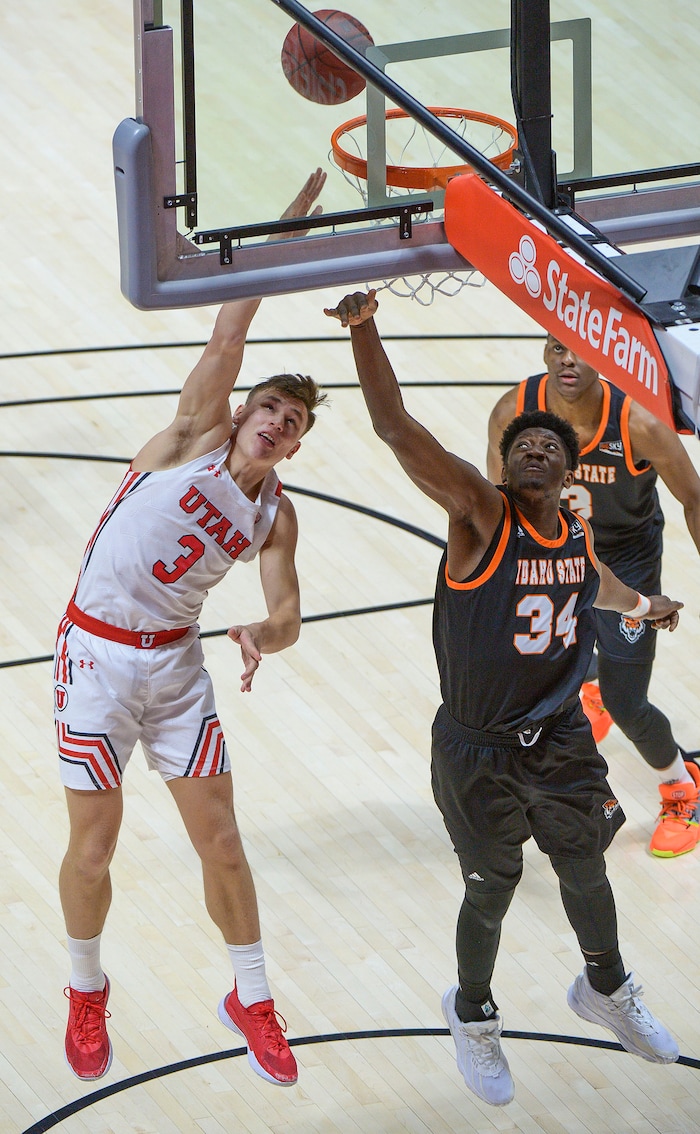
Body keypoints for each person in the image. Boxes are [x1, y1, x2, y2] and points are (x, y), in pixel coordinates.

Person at [325, 288, 681, 1108]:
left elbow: (595, 581)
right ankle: (474, 1012)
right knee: (492, 887)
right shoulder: (480, 516)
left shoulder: (576, 533)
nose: (534, 451)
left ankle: (606, 987)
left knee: (586, 869)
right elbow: (396, 430)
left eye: (548, 449)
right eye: (521, 445)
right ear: (504, 463)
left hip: (557, 738)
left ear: (567, 472)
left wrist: (647, 606)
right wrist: (365, 328)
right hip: (475, 744)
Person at [55, 170, 328, 1087]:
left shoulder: (273, 516)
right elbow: (230, 327)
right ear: (241, 415)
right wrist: (287, 230)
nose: (275, 426)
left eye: (290, 425)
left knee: (224, 844)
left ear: (292, 447)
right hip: (93, 656)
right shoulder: (188, 439)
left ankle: (252, 997)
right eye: (268, 411)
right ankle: (85, 989)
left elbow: (289, 617)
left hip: (176, 673)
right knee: (93, 847)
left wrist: (261, 633)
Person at [487, 335, 700, 858]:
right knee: (537, 657)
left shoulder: (638, 423)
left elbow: (693, 497)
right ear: (544, 352)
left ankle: (682, 789)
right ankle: (595, 682)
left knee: (629, 703)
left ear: (604, 359)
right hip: (558, 549)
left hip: (626, 558)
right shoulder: (515, 410)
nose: (568, 359)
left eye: (580, 350)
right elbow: (500, 498)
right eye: (557, 347)